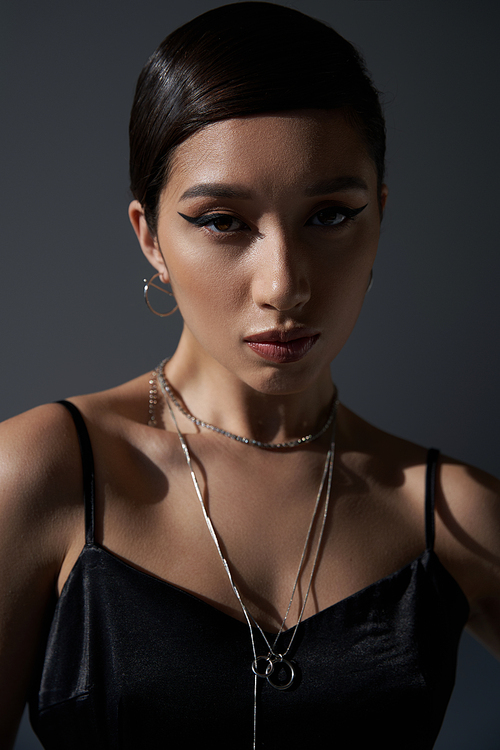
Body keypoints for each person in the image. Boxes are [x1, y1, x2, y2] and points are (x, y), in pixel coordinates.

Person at [1, 2, 499, 748]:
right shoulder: (43, 470)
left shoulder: (452, 514)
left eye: (330, 215)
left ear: (379, 220)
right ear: (151, 238)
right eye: (224, 221)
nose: (284, 285)